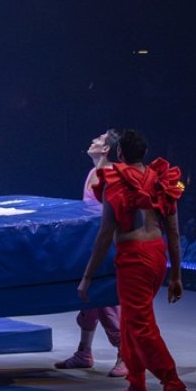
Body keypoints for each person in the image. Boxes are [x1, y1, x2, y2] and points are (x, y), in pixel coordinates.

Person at [78, 129, 193, 391]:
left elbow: (104, 235)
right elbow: (174, 233)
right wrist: (176, 276)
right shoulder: (162, 181)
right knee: (130, 323)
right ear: (144, 153)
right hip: (156, 255)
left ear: (119, 153)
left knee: (141, 326)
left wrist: (87, 277)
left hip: (134, 259)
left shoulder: (114, 183)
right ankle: (137, 385)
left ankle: (175, 386)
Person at [55, 129, 127, 377]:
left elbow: (114, 216)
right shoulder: (92, 173)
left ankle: (125, 355)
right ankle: (84, 352)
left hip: (107, 245)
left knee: (107, 302)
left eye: (98, 139)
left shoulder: (112, 175)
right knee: (87, 300)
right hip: (89, 243)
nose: (93, 140)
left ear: (106, 149)